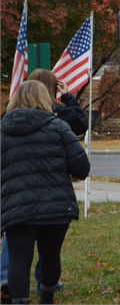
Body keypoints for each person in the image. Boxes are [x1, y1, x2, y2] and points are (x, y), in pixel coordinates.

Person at [1, 69, 88, 300]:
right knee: (50, 256)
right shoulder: (59, 127)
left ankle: (19, 300)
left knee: (19, 260)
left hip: (16, 205)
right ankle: (47, 298)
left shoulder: (2, 129)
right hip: (56, 206)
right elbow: (82, 167)